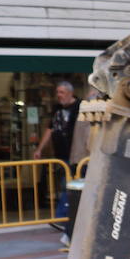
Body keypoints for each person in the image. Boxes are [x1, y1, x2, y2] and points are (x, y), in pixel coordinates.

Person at [34, 80, 87, 241]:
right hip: (62, 155)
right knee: (66, 185)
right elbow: (49, 130)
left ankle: (62, 217)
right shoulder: (57, 110)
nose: (58, 95)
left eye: (61, 92)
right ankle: (64, 217)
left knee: (69, 186)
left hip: (77, 155)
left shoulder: (81, 107)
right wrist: (40, 149)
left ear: (70, 92)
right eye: (57, 92)